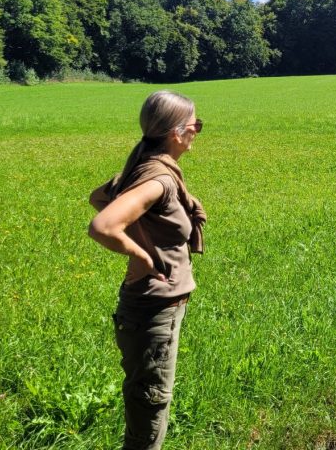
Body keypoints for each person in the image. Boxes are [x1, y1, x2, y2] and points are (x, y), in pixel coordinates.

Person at [89, 91, 206, 450]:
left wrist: (143, 236)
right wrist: (143, 257)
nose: (197, 132)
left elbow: (98, 196)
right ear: (176, 133)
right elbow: (103, 225)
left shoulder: (145, 165)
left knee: (148, 404)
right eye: (195, 126)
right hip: (153, 311)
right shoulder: (159, 180)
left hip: (152, 310)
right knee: (150, 411)